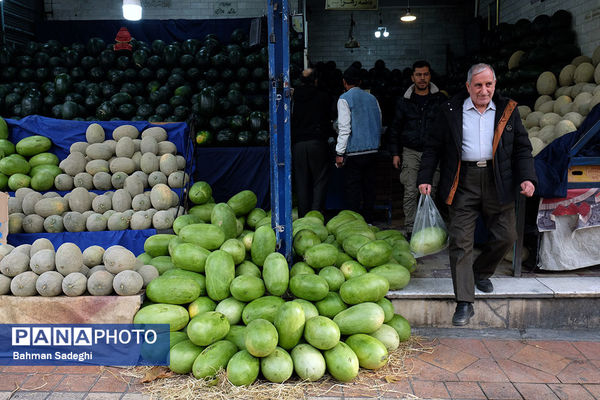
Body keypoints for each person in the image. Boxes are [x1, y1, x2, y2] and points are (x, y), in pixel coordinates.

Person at [417, 63, 537, 326]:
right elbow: (433, 147)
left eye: (489, 85)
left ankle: (480, 272)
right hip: (463, 180)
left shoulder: (508, 110)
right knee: (460, 240)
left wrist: (527, 177)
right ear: (468, 86)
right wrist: (425, 177)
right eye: (479, 85)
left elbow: (522, 148)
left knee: (507, 236)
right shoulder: (450, 110)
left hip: (498, 180)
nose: (484, 91)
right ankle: (464, 302)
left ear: (495, 85)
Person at [388, 60, 446, 237]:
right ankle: (411, 230)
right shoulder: (404, 101)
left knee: (431, 191)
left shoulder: (440, 99)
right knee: (411, 191)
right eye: (419, 75)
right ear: (412, 77)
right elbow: (395, 127)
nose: (422, 78)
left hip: (433, 152)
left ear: (430, 76)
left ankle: (429, 229)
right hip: (411, 151)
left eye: (426, 74)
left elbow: (447, 127)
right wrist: (395, 153)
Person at [335, 66, 383, 223]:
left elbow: (344, 128)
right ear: (360, 82)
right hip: (373, 151)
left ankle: (355, 223)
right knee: (370, 188)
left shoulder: (344, 98)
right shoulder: (372, 98)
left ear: (344, 81)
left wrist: (339, 153)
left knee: (353, 189)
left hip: (354, 154)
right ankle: (368, 221)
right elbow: (379, 123)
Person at [291, 68, 335, 217]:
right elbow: (330, 118)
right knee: (319, 180)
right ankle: (316, 215)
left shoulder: (294, 96)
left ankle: (303, 216)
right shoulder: (323, 97)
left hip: (298, 144)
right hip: (317, 143)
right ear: (316, 80)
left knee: (301, 182)